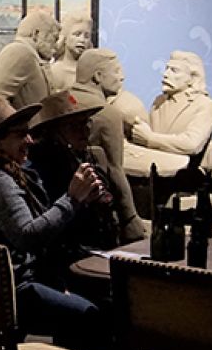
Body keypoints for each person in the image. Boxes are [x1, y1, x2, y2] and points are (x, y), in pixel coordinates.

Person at [0, 97, 111, 350]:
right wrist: (71, 199)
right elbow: (28, 236)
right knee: (93, 314)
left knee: (89, 303)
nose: (29, 141)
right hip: (8, 296)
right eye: (21, 134)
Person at [28, 90, 138, 249]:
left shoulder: (88, 156)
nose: (84, 130)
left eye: (86, 122)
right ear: (54, 133)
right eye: (74, 126)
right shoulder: (42, 168)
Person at [70, 49, 149, 240]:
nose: (122, 77)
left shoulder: (61, 100)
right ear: (98, 76)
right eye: (116, 71)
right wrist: (130, 218)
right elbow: (115, 171)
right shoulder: (107, 114)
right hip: (92, 209)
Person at [0, 10, 60, 160]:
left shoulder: (33, 57)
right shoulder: (20, 52)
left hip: (33, 148)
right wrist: (15, 135)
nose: (56, 46)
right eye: (54, 38)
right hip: (23, 150)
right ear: (36, 33)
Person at [124, 50, 212, 177]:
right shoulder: (159, 102)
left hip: (185, 176)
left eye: (174, 71)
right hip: (154, 169)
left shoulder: (205, 105)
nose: (165, 74)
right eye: (166, 69)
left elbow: (191, 144)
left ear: (192, 78)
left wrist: (150, 139)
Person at [47, 12, 93, 92]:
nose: (82, 40)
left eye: (86, 36)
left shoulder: (92, 73)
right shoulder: (55, 71)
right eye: (77, 34)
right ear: (65, 37)